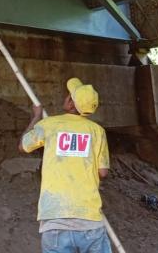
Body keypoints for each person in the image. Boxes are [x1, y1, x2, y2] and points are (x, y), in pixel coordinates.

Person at [19, 77, 111, 253]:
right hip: (89, 219)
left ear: (70, 103)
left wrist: (36, 117)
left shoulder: (49, 125)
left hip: (55, 219)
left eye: (68, 95)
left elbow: (23, 146)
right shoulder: (97, 131)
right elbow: (103, 172)